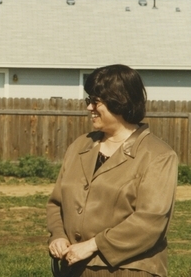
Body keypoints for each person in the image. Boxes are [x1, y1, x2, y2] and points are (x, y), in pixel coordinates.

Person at [46, 64, 177, 277]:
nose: (89, 108)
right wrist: (58, 236)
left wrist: (93, 245)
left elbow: (150, 221)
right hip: (73, 268)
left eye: (95, 102)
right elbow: (56, 203)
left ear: (119, 102)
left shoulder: (158, 155)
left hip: (128, 270)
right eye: (89, 101)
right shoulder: (80, 146)